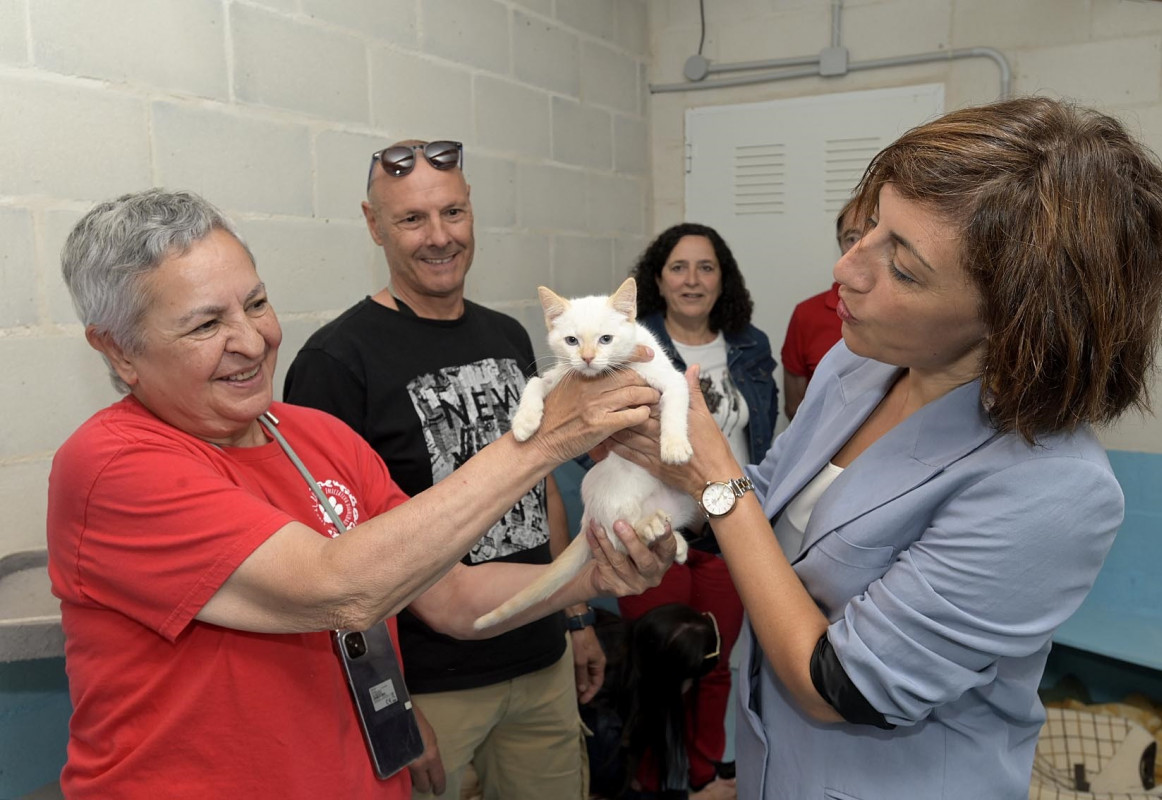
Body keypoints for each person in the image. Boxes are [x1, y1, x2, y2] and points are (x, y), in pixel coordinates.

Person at [608, 96, 1162, 799]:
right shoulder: (861, 365)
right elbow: (767, 500)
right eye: (868, 226)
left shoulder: (1054, 487)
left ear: (1017, 318)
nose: (846, 271)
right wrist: (660, 489)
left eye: (903, 268)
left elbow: (839, 683)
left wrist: (714, 480)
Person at [47, 188, 677, 799]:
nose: (253, 339)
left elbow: (452, 596)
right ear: (118, 349)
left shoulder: (317, 438)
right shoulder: (113, 467)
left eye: (257, 303)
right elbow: (338, 588)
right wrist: (541, 443)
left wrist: (597, 573)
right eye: (207, 324)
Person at [283, 139, 604, 800]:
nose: (439, 237)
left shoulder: (508, 336)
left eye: (452, 213)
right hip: (433, 688)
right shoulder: (335, 363)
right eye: (411, 220)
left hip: (539, 660)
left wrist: (575, 618)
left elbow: (540, 487)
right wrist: (390, 699)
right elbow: (329, 556)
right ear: (374, 225)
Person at [619, 222, 779, 794]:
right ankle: (656, 781)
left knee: (714, 663)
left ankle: (705, 772)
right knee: (657, 666)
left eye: (705, 267)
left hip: (729, 530)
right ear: (657, 279)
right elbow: (600, 445)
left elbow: (760, 438)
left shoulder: (750, 345)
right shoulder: (631, 347)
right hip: (654, 530)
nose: (692, 279)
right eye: (678, 267)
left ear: (722, 278)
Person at [584, 604, 738, 800]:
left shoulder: (615, 635)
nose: (689, 688)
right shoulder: (602, 722)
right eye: (690, 680)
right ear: (668, 680)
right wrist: (705, 797)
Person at [780, 199, 868, 419]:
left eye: (873, 234)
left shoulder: (909, 313)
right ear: (839, 244)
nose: (862, 248)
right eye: (852, 238)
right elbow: (795, 408)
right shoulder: (807, 315)